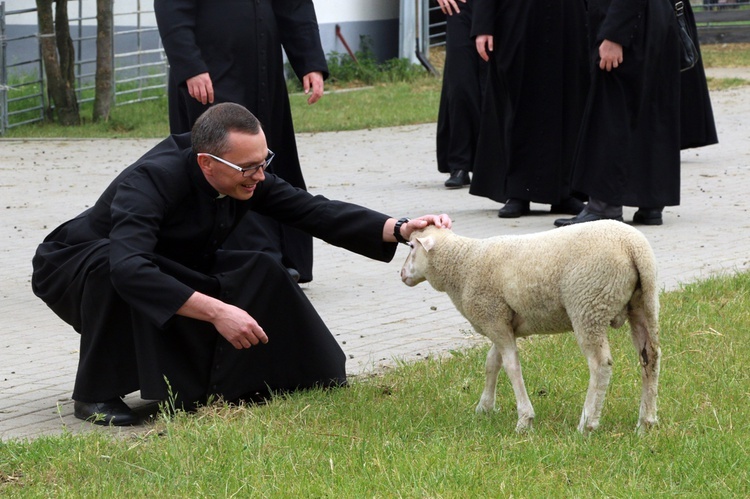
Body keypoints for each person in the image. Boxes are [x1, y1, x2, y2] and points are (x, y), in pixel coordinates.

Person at [31, 103, 452, 426]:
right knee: (112, 268)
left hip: (160, 259)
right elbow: (130, 268)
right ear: (206, 163)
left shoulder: (245, 171)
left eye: (264, 162)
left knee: (261, 268)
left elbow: (313, 211)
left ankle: (284, 373)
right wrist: (217, 311)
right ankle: (94, 395)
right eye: (249, 168)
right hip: (75, 265)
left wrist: (399, 228)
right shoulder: (151, 180)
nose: (259, 175)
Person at [154, 0, 327, 283]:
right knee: (227, 165)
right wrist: (189, 65)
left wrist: (310, 61)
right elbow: (171, 6)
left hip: (262, 73)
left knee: (267, 159)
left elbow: (294, 6)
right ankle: (256, 260)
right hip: (209, 75)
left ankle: (283, 255)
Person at [554, 0, 717, 227]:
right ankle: (651, 202)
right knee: (652, 112)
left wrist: (614, 34)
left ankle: (604, 206)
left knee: (611, 113)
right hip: (651, 20)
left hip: (629, 24)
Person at [469, 0, 589, 218]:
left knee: (569, 103)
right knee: (518, 104)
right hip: (517, 17)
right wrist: (483, 26)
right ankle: (517, 192)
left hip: (569, 18)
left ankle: (564, 192)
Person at [435, 0, 489, 189]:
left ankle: (496, 164)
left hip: (502, 8)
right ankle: (460, 164)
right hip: (461, 8)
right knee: (460, 85)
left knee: (495, 85)